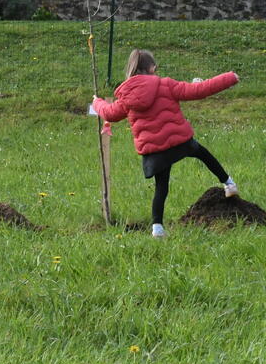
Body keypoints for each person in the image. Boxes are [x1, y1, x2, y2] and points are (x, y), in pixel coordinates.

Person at [92, 49, 240, 237]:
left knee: (161, 186)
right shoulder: (166, 84)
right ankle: (228, 183)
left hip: (154, 150)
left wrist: (97, 102)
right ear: (152, 67)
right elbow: (198, 91)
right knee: (203, 154)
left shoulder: (127, 97)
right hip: (179, 141)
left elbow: (110, 113)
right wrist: (230, 77)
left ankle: (157, 228)